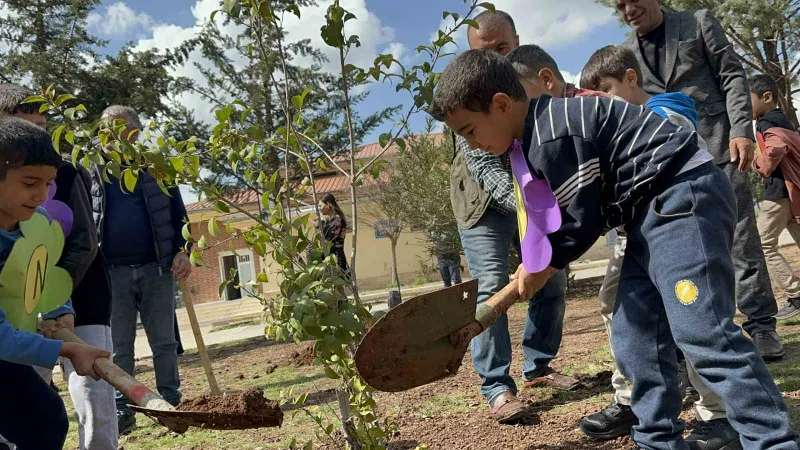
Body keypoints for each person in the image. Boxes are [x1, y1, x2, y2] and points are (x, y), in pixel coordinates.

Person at [430, 48, 799, 450]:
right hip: (643, 218)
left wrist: (547, 262)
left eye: (469, 131)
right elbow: (552, 217)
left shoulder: (554, 132)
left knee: (704, 334)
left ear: (501, 105)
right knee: (635, 335)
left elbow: (580, 217)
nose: (472, 145)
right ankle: (657, 439)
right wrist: (534, 261)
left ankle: (772, 440)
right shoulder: (532, 138)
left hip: (682, 200)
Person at [579, 45, 745, 449]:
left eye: (607, 90)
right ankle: (634, 398)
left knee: (696, 316)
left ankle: (719, 412)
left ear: (631, 78)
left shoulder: (668, 111)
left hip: (679, 225)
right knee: (618, 308)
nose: (602, 103)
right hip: (632, 235)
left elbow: (664, 144)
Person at [616, 0, 782, 354]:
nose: (629, 9)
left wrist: (742, 129)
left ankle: (762, 324)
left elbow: (732, 75)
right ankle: (694, 333)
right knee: (680, 248)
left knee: (741, 238)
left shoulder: (698, 22)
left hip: (722, 146)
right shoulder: (626, 53)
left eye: (633, 0)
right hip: (666, 167)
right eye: (620, 5)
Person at [449, 11, 577, 424]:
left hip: (531, 192)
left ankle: (539, 367)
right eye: (485, 52)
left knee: (552, 275)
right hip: (481, 203)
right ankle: (497, 386)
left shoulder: (530, 80)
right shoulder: (465, 92)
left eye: (503, 48)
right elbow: (485, 169)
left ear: (516, 40)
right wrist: (531, 212)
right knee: (490, 282)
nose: (497, 60)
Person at [0, 84, 118, 449]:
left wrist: (60, 309)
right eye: (30, 183)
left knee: (44, 418)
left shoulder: (31, 225)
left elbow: (41, 273)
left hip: (11, 340)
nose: (41, 196)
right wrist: (67, 350)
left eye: (48, 185)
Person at [90, 105, 192, 436]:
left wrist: (183, 251)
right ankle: (124, 411)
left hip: (157, 268)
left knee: (163, 341)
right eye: (105, 130)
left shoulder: (156, 167)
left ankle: (170, 405)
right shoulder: (91, 170)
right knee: (120, 347)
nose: (110, 137)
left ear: (135, 132)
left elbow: (179, 213)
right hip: (111, 272)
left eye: (119, 129)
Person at [750, 74, 800, 321]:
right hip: (791, 193)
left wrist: (758, 163)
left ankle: (796, 294)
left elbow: (776, 148)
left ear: (766, 97)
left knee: (764, 243)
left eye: (746, 99)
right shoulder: (784, 119)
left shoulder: (766, 121)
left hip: (778, 192)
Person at [318, 193, 349, 278]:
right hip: (330, 258)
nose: (319, 209)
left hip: (335, 259)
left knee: (337, 287)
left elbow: (329, 241)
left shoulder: (337, 220)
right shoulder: (330, 221)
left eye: (320, 205)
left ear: (327, 205)